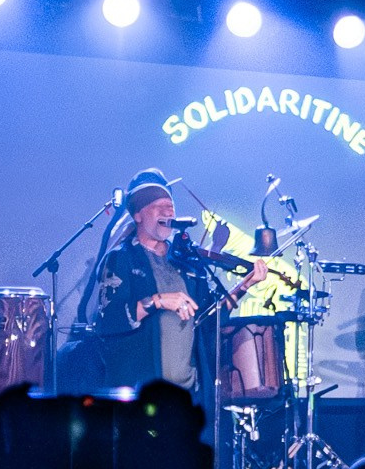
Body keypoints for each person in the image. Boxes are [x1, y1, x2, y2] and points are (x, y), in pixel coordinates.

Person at [90, 169, 267, 396]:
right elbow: (108, 320)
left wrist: (244, 286)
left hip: (185, 396)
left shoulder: (186, 261)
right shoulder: (121, 258)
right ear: (138, 215)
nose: (168, 211)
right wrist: (158, 300)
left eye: (170, 206)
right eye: (158, 206)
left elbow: (210, 318)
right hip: (139, 396)